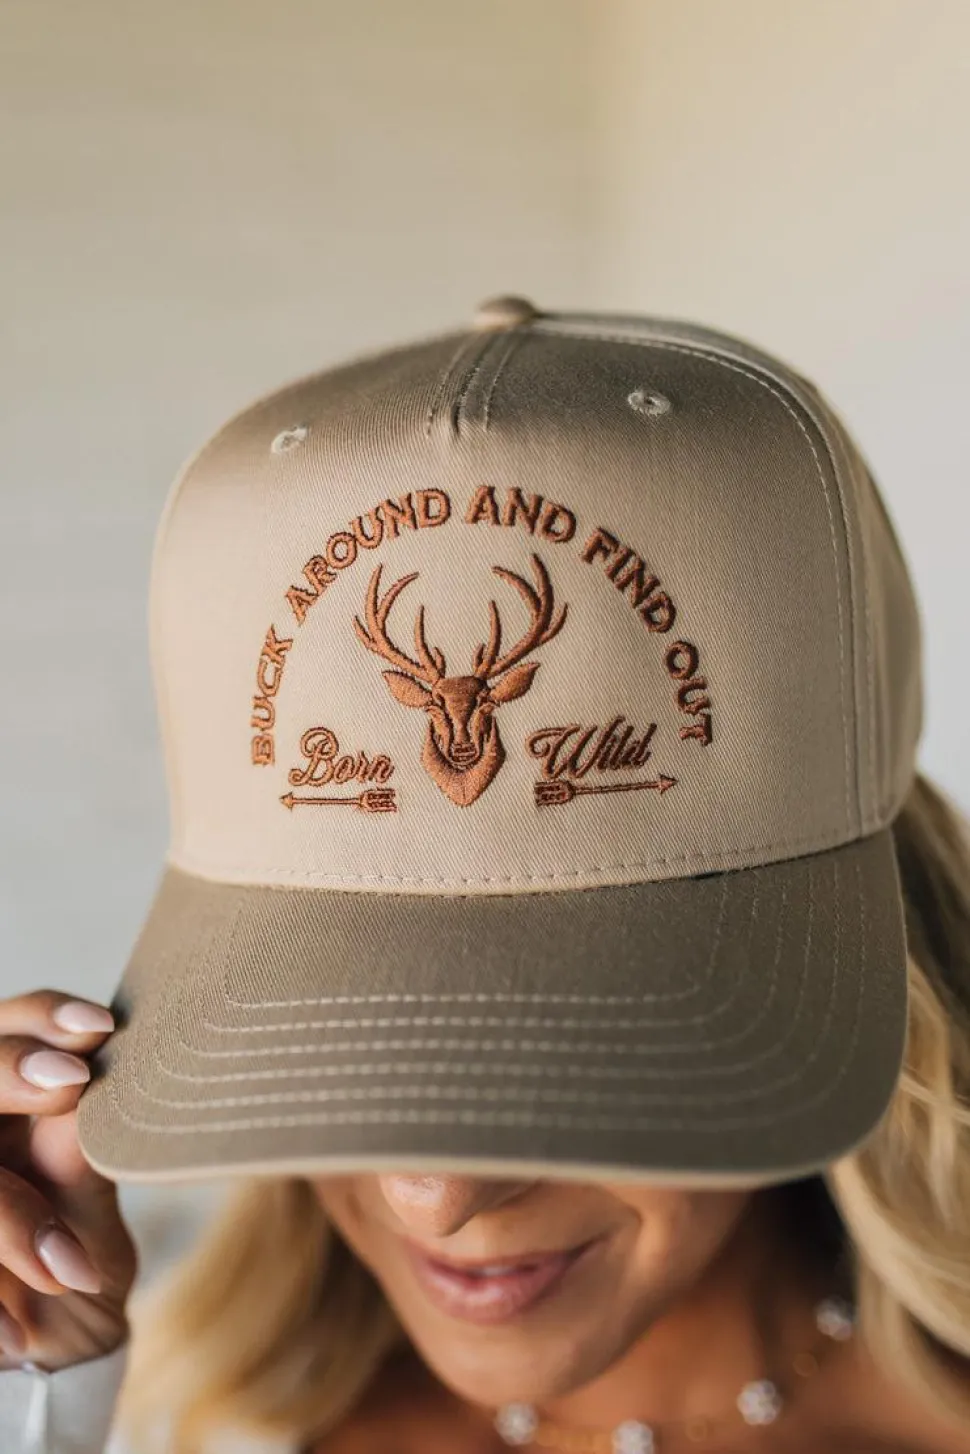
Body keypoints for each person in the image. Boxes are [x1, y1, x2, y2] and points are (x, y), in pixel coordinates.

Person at [0, 300, 967, 1454]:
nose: (441, 1197)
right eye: (341, 1025)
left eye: (587, 1019)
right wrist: (47, 1398)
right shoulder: (168, 1417)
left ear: (878, 952)